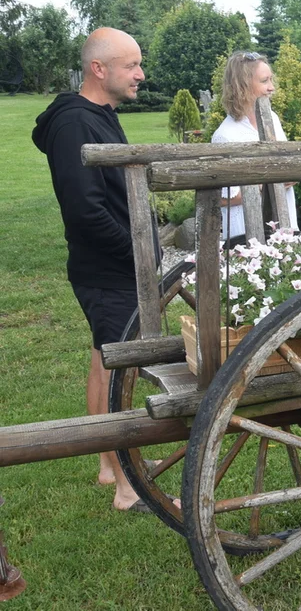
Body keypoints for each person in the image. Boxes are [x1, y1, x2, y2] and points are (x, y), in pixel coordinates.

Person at [31, 28, 153, 512]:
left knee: (104, 361)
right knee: (117, 369)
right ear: (98, 69)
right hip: (107, 269)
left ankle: (108, 466)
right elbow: (85, 211)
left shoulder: (99, 115)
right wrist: (137, 252)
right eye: (131, 66)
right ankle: (126, 486)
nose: (140, 74)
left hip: (112, 266)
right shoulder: (74, 125)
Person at [211, 51, 297, 240]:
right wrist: (270, 183)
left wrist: (294, 174)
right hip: (245, 230)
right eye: (265, 81)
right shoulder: (225, 136)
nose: (272, 87)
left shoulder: (272, 119)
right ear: (242, 86)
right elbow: (221, 199)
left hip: (283, 219)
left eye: (271, 80)